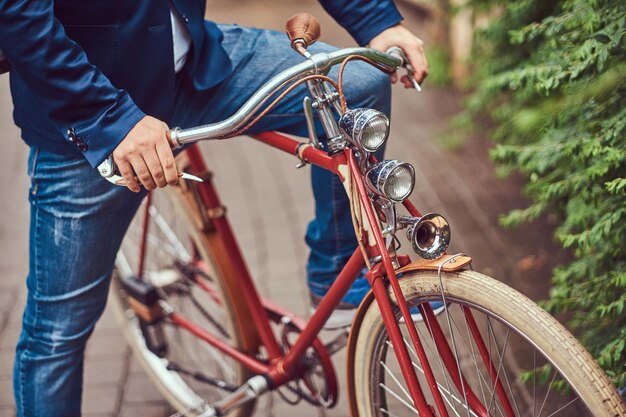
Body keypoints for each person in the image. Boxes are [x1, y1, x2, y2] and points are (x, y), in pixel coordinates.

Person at [0, 0, 428, 415]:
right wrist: (109, 120)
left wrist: (375, 20)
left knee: (357, 86)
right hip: (101, 107)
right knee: (56, 334)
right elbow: (18, 15)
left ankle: (336, 274)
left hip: (197, 65)